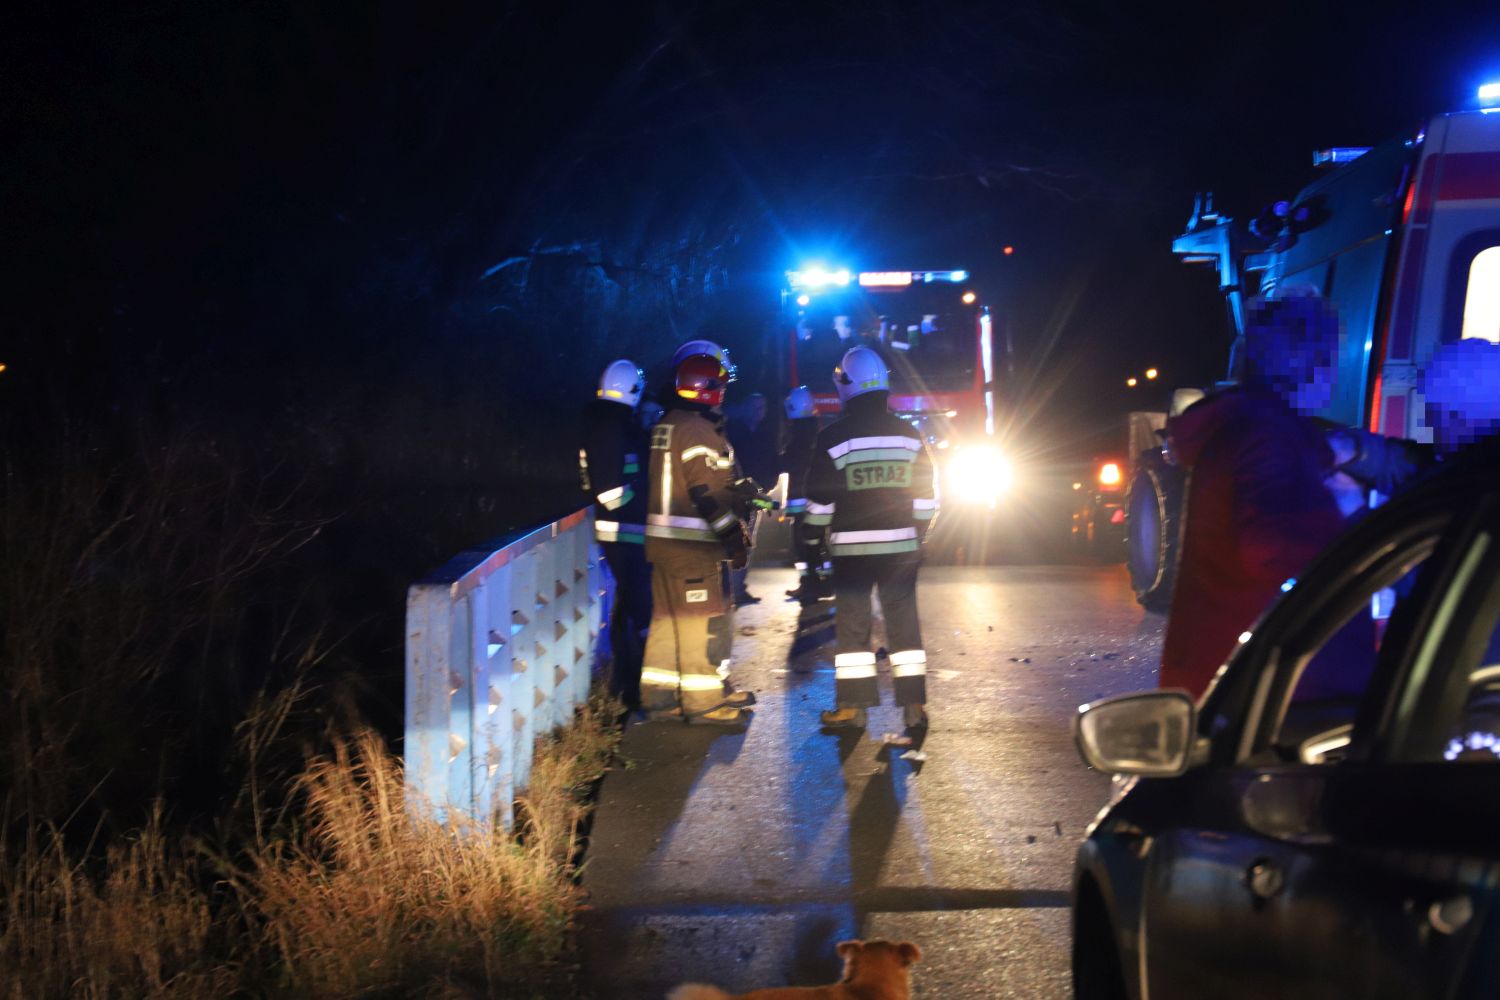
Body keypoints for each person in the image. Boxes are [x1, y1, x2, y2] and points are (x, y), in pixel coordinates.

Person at [1158, 294, 1347, 699]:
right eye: (1331, 358)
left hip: (1227, 667)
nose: (1336, 373)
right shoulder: (1266, 438)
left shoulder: (1247, 429)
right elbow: (1267, 547)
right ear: (1303, 363)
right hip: (1253, 681)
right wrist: (1354, 536)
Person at [802, 346, 939, 731]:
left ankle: (853, 709)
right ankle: (913, 707)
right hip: (901, 549)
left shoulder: (833, 437)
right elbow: (927, 498)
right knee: (904, 627)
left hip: (852, 552)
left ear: (846, 385)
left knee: (854, 628)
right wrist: (918, 534)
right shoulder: (910, 435)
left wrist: (812, 539)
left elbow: (821, 501)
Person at [641, 339, 757, 725]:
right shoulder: (697, 431)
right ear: (703, 389)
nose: (724, 394)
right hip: (691, 548)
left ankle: (659, 698)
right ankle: (704, 703)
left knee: (666, 621)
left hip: (663, 546)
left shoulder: (669, 423)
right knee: (696, 624)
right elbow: (706, 497)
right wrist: (734, 538)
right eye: (719, 387)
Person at [580, 359, 652, 713]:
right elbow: (609, 494)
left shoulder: (613, 425)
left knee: (631, 610)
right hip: (623, 533)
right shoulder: (610, 429)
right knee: (636, 612)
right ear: (633, 391)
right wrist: (644, 489)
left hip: (628, 533)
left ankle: (630, 687)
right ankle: (631, 689)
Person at [780, 385, 831, 603]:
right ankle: (824, 584)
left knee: (803, 547)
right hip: (814, 499)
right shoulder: (816, 431)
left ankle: (810, 586)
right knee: (817, 544)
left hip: (802, 501)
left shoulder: (800, 435)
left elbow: (788, 462)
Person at [725, 392, 776, 605]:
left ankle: (738, 588)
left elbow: (772, 465)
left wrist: (765, 491)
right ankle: (731, 591)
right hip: (735, 497)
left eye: (762, 407)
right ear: (745, 408)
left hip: (756, 497)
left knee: (747, 543)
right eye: (754, 407)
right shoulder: (733, 434)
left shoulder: (766, 436)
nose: (758, 412)